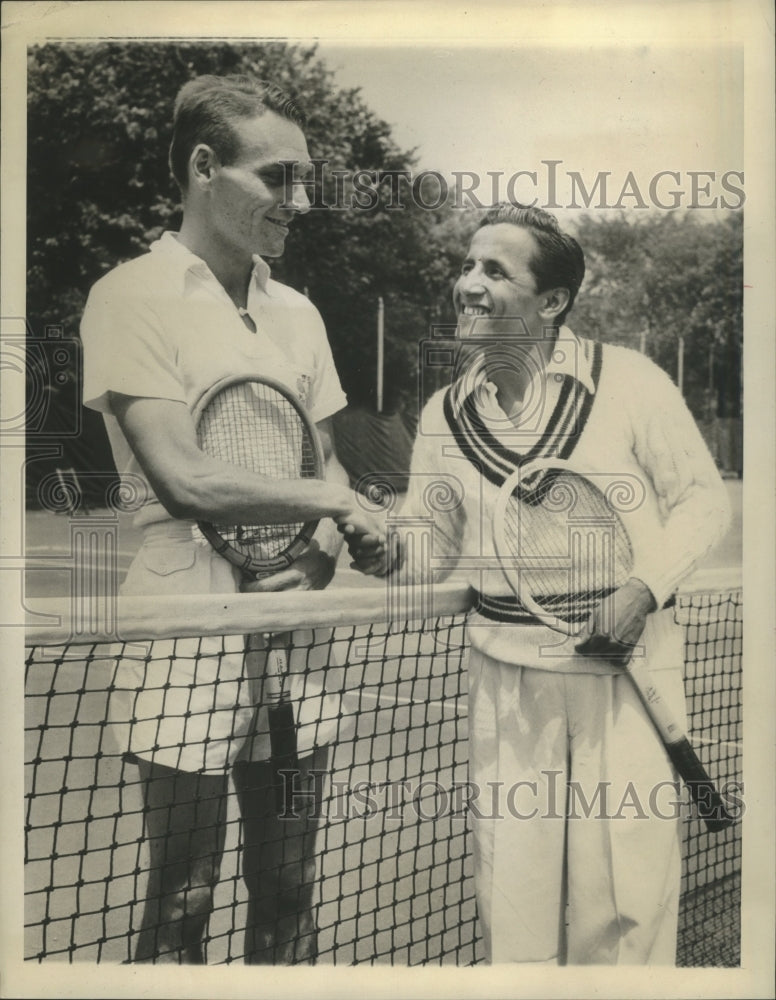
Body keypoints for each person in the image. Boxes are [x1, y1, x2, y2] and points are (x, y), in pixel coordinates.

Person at [345, 203, 731, 965]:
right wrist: (381, 552)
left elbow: (703, 501)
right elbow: (429, 548)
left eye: (495, 270)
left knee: (624, 919)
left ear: (551, 302)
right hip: (504, 688)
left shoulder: (629, 380)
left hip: (625, 681)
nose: (468, 284)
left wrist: (643, 588)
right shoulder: (444, 415)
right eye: (466, 265)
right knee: (512, 917)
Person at [81, 75, 380, 964]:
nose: (301, 200)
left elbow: (323, 459)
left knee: (288, 889)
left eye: (305, 178)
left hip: (296, 641)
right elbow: (181, 477)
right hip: (182, 637)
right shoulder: (129, 295)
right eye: (279, 177)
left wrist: (323, 554)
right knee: (183, 895)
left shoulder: (300, 313)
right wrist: (332, 503)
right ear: (206, 167)